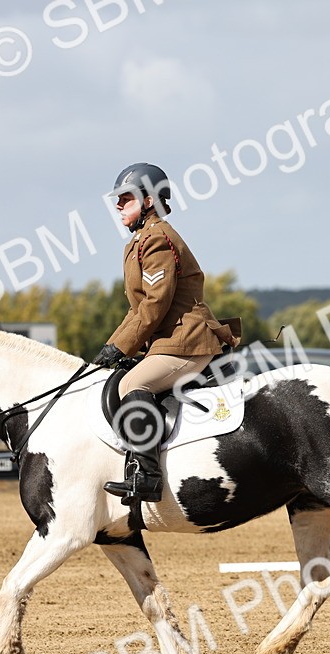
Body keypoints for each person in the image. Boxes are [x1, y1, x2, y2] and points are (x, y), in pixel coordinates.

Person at [92, 163, 239, 503]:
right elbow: (137, 310)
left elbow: (156, 304)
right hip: (169, 341)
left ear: (148, 201)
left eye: (125, 199)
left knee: (132, 385)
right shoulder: (141, 240)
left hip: (186, 340)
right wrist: (112, 347)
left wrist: (122, 346)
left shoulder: (157, 237)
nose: (118, 206)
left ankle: (147, 476)